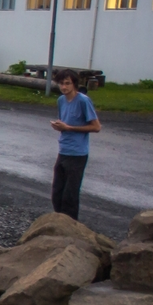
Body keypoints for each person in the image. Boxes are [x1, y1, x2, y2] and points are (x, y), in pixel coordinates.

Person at [50, 69, 101, 221]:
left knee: (69, 197)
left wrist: (70, 128)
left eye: (67, 83)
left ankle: (71, 229)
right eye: (61, 84)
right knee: (57, 194)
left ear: (74, 84)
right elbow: (64, 121)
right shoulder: (61, 100)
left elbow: (96, 127)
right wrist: (59, 126)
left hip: (78, 154)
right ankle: (59, 225)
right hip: (63, 150)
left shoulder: (83, 101)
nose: (64, 87)